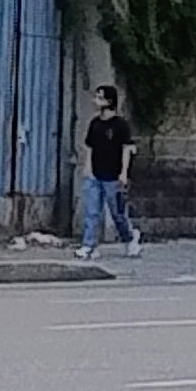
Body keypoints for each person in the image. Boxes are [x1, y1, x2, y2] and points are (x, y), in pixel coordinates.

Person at [77, 83, 137, 260]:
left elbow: (126, 148)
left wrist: (124, 173)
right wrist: (88, 167)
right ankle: (89, 245)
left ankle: (130, 238)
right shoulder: (95, 123)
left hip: (113, 176)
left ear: (109, 101)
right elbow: (90, 147)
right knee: (91, 212)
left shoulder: (120, 125)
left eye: (99, 97)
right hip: (95, 174)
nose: (95, 100)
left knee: (117, 213)